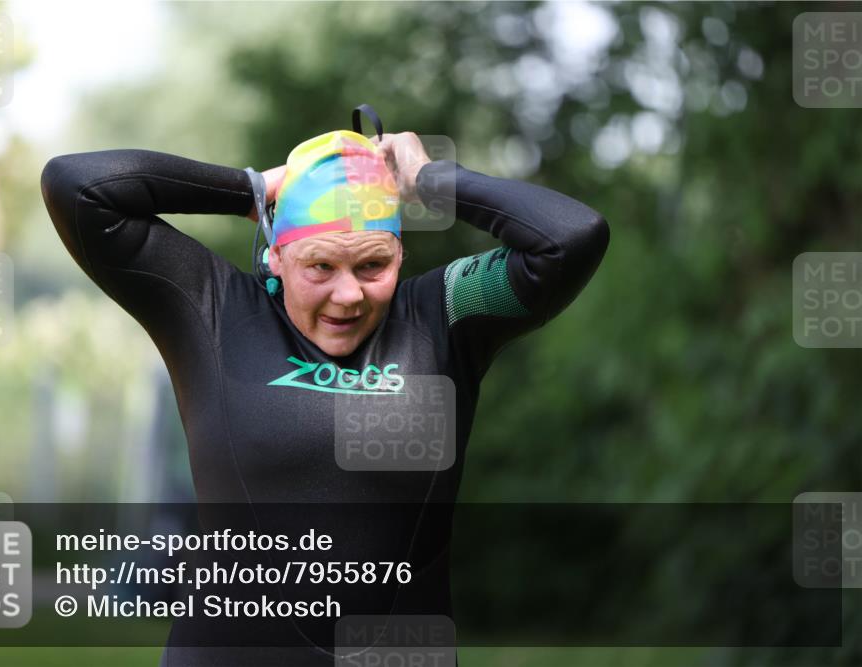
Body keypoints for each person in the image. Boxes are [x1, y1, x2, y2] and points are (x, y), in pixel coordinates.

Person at [40, 115, 609, 666]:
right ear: (277, 255)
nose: (348, 295)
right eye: (320, 267)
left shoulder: (442, 317)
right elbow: (79, 186)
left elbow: (570, 236)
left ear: (401, 254)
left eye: (372, 266)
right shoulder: (212, 311)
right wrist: (251, 188)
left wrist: (429, 181)